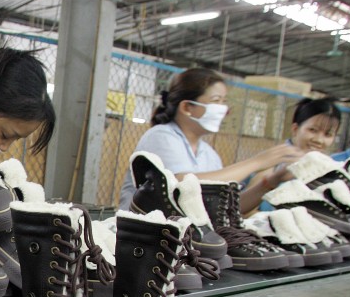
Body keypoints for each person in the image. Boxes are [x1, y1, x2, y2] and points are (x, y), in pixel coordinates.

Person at [117, 67, 304, 214]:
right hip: (144, 241)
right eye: (216, 100)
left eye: (224, 101)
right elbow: (182, 187)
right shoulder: (161, 136)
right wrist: (257, 162)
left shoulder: (209, 155)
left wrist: (271, 181)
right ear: (187, 107)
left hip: (187, 244)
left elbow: (225, 210)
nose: (223, 109)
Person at [251, 96, 342, 211]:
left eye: (328, 134)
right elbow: (246, 212)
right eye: (313, 130)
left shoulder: (329, 168)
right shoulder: (273, 162)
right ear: (295, 129)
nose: (319, 140)